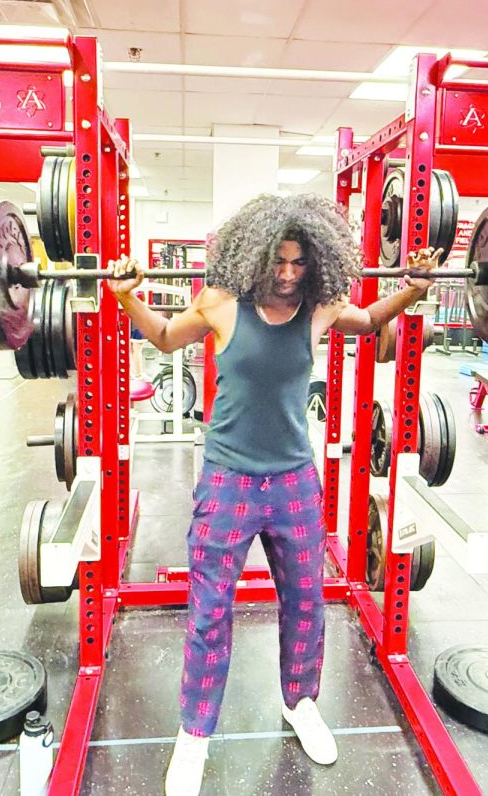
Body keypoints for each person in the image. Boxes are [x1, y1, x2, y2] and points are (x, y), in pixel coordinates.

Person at [107, 194, 438, 796]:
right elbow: (159, 337)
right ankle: (195, 734)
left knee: (306, 604)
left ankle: (300, 702)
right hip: (227, 480)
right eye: (278, 262)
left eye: (299, 264)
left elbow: (365, 323)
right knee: (210, 613)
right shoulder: (219, 302)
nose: (288, 274)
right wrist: (127, 292)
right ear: (254, 256)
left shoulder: (321, 308)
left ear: (316, 263)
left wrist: (412, 292)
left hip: (293, 482)